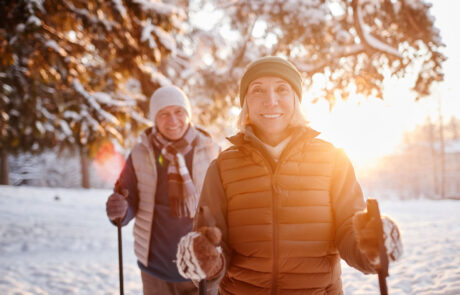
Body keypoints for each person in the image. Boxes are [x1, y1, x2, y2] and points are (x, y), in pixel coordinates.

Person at [175, 56, 403, 294]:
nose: (270, 100)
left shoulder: (333, 160)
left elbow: (348, 229)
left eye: (282, 89)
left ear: (296, 99)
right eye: (258, 90)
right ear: (246, 104)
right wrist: (207, 261)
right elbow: (212, 241)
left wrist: (371, 246)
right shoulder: (222, 167)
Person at [106, 85, 220, 295]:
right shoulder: (141, 154)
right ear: (154, 119)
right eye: (164, 114)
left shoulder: (211, 151)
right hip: (155, 270)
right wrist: (119, 210)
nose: (173, 121)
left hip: (201, 266)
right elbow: (127, 198)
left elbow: (225, 206)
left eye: (179, 112)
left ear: (188, 115)